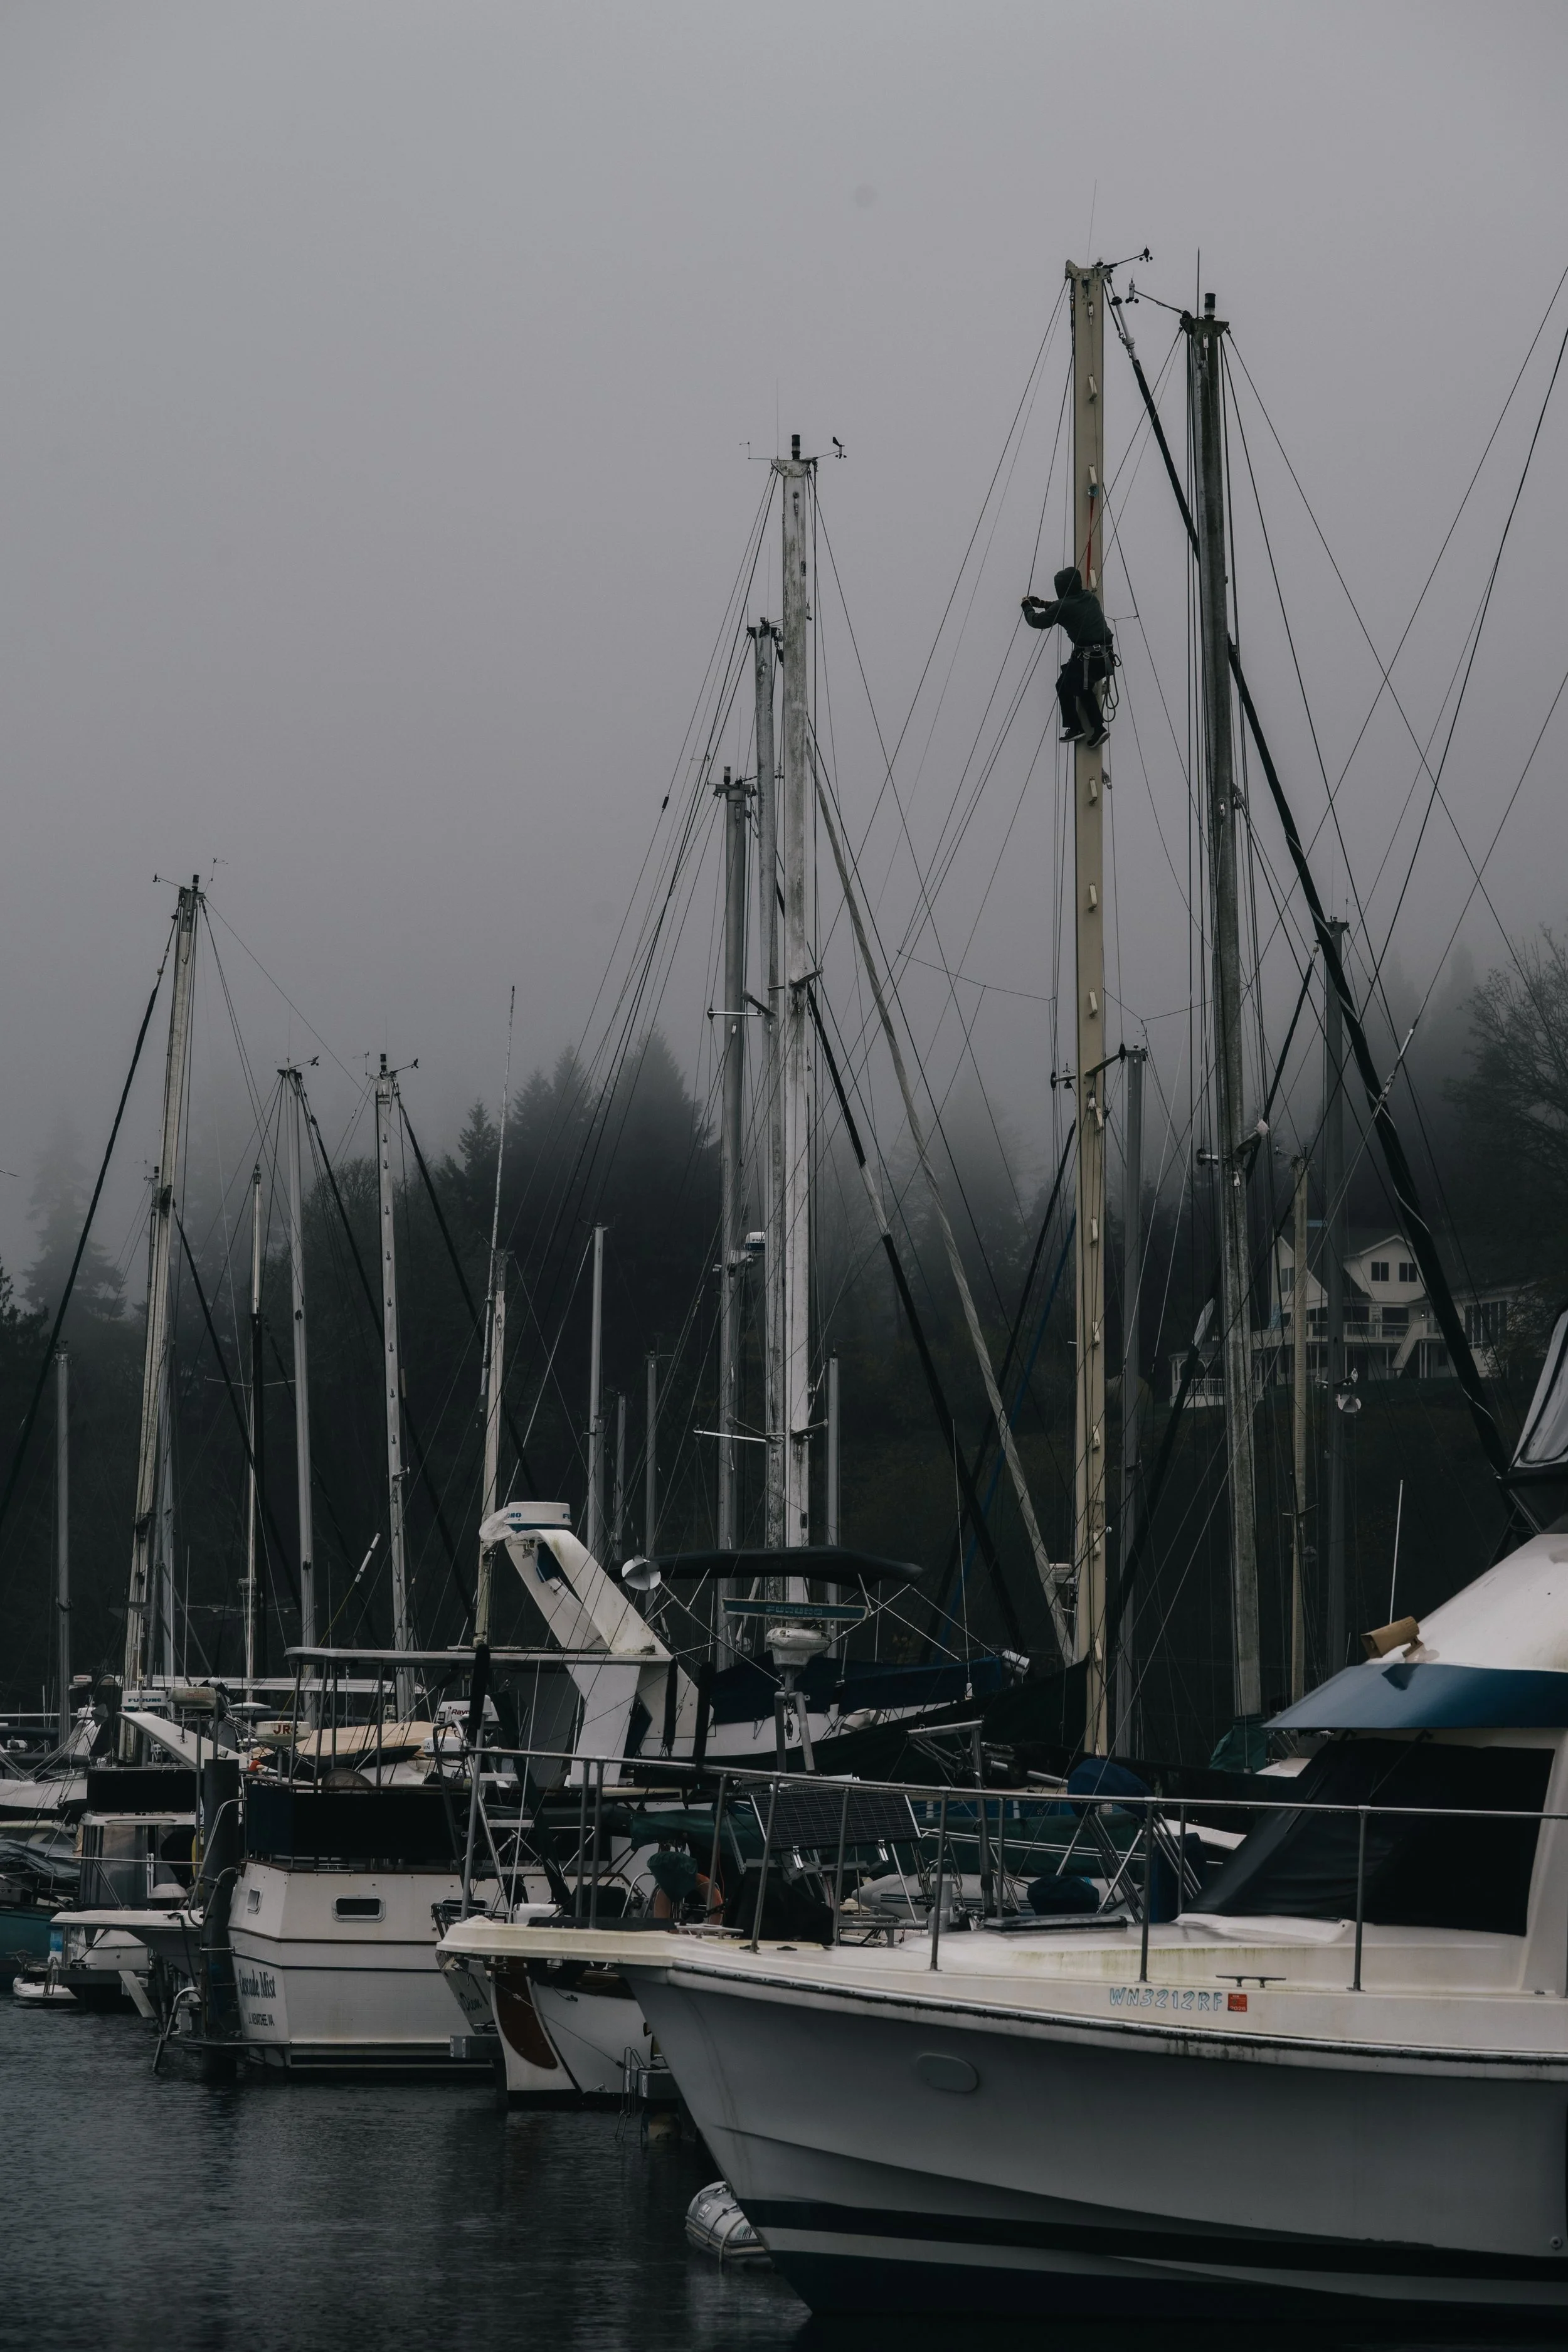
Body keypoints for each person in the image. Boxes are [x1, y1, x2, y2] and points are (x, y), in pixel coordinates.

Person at [1022, 565, 1115, 746]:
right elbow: (1065, 607)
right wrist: (1042, 604)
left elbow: (1037, 622)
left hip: (1088, 659)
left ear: (1061, 588)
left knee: (1063, 685)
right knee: (1084, 688)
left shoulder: (1063, 607)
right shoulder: (1089, 597)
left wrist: (1027, 608)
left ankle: (1075, 728)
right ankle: (1099, 729)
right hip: (1106, 659)